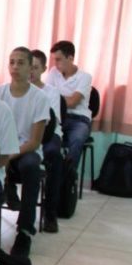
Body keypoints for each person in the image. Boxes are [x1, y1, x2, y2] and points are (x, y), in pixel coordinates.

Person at [0, 47, 48, 255]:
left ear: (31, 68)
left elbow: (34, 142)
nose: (15, 67)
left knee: (31, 167)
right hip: (0, 149)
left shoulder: (40, 97)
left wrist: (8, 155)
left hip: (24, 151)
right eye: (12, 62)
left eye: (21, 63)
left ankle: (24, 230)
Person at [30, 49, 63, 232]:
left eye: (35, 67)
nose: (31, 72)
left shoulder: (51, 92)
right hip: (24, 134)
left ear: (43, 69)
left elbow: (51, 120)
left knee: (53, 155)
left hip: (48, 133)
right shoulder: (14, 90)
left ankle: (50, 214)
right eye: (29, 67)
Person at [46, 40, 93, 170]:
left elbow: (73, 102)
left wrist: (55, 97)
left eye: (58, 59)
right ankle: (52, 174)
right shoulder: (53, 72)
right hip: (58, 117)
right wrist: (60, 98)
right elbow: (46, 97)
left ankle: (68, 176)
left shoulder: (85, 77)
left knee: (77, 140)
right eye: (54, 60)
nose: (55, 64)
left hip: (79, 120)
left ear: (70, 58)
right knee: (44, 137)